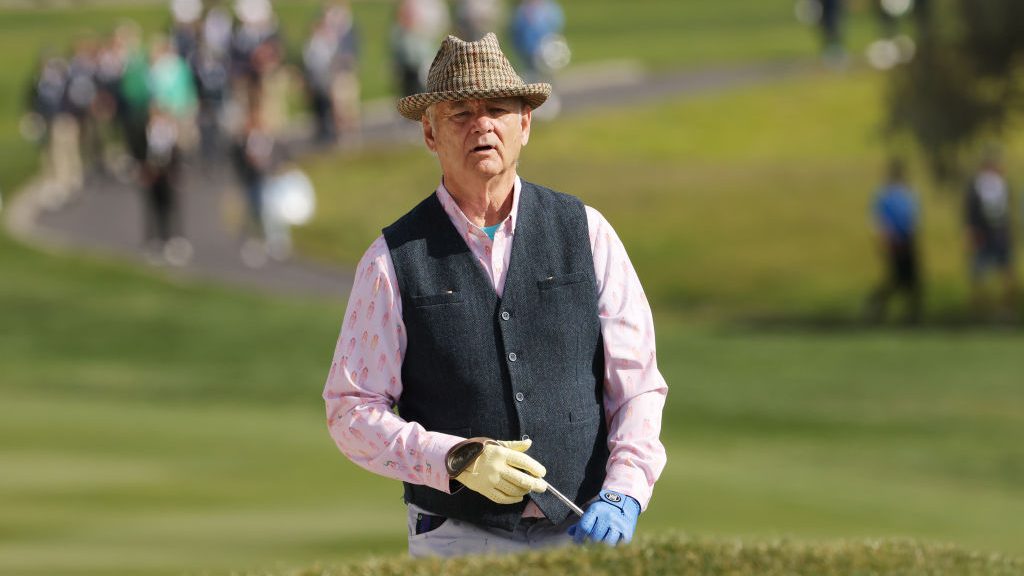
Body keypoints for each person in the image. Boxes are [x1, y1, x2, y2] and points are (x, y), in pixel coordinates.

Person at [323, 33, 667, 557]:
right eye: (459, 112)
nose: (481, 124)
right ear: (430, 133)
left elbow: (637, 384)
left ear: (524, 124)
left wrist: (625, 491)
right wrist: (452, 458)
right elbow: (351, 411)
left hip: (579, 529)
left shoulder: (586, 231)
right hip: (455, 538)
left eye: (498, 109)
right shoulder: (391, 258)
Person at [865, 158, 921, 323]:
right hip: (894, 240)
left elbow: (913, 218)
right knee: (895, 278)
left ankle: (912, 313)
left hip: (907, 239)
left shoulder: (908, 193)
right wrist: (885, 238)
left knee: (911, 279)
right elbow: (879, 219)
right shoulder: (886, 194)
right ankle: (877, 306)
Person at [965, 154, 1017, 318]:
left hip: (996, 232)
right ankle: (983, 310)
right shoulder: (985, 184)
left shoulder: (994, 184)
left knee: (1000, 271)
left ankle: (1000, 309)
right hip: (989, 232)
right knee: (981, 271)